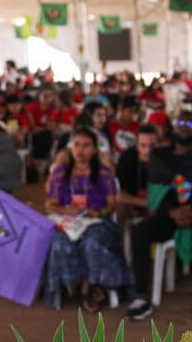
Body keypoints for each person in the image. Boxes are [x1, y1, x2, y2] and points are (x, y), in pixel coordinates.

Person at [126, 123, 192, 321]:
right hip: (169, 216)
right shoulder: (160, 156)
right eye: (181, 123)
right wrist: (172, 212)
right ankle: (141, 297)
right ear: (172, 128)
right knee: (139, 231)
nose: (185, 128)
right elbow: (156, 191)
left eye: (189, 124)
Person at [43, 127, 134, 312]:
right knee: (60, 243)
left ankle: (91, 285)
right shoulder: (61, 173)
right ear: (70, 148)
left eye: (86, 146)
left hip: (97, 222)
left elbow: (112, 204)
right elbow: (49, 204)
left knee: (92, 242)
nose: (80, 150)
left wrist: (98, 213)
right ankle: (76, 284)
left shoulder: (103, 174)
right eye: (76, 145)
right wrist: (65, 210)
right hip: (69, 223)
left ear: (94, 149)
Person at [116, 124, 158, 225]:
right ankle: (122, 238)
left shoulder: (164, 159)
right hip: (133, 205)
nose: (148, 151)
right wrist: (146, 203)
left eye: (152, 146)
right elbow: (118, 195)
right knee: (120, 208)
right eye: (143, 145)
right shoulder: (127, 158)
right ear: (137, 145)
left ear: (158, 144)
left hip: (158, 206)